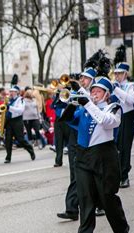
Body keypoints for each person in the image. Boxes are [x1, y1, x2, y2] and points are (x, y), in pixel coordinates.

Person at [61, 75, 129, 233]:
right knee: (85, 198)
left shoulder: (114, 108)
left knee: (107, 197)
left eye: (98, 91)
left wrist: (88, 103)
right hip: (83, 156)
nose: (94, 94)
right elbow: (67, 119)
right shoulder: (84, 110)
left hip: (104, 157)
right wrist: (72, 100)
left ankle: (122, 227)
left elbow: (106, 122)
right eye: (93, 91)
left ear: (107, 94)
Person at [57, 66, 98, 221]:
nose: (83, 80)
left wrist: (81, 90)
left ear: (92, 80)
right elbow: (62, 108)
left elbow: (92, 105)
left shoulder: (95, 93)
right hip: (75, 135)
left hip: (90, 135)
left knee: (93, 175)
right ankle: (72, 208)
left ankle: (98, 204)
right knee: (75, 173)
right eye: (82, 78)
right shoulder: (78, 91)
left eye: (86, 78)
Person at [113, 45, 134, 188]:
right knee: (115, 148)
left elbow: (131, 100)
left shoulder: (131, 85)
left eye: (120, 73)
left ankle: (125, 176)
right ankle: (117, 175)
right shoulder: (113, 85)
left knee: (125, 148)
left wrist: (116, 89)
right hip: (115, 117)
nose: (117, 76)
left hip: (127, 118)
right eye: (116, 73)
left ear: (125, 74)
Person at [4, 85, 35, 163]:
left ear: (17, 92)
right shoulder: (9, 100)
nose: (11, 93)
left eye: (13, 91)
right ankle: (8, 157)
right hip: (9, 122)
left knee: (20, 139)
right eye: (10, 91)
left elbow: (20, 110)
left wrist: (9, 108)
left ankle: (30, 150)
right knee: (8, 140)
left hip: (17, 121)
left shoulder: (20, 100)